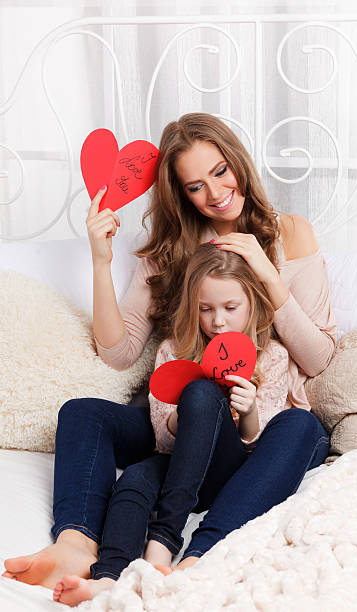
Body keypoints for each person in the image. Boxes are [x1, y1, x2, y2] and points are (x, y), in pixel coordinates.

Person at [3, 112, 335, 591]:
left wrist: (267, 274)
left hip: (260, 418)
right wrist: (102, 261)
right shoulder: (172, 250)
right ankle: (75, 543)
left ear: (238, 161)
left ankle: (199, 554)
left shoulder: (292, 234)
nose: (216, 192)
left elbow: (320, 358)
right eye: (195, 186)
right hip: (182, 414)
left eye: (221, 171)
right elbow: (119, 354)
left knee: (303, 427)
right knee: (82, 414)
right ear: (181, 193)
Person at [52, 242, 292, 605]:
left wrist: (249, 413)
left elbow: (260, 450)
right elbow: (163, 441)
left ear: (252, 304)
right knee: (135, 478)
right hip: (180, 460)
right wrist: (190, 412)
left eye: (230, 308)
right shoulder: (172, 352)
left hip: (230, 467)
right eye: (205, 309)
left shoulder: (272, 357)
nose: (218, 321)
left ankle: (162, 545)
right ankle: (109, 576)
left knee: (202, 394)